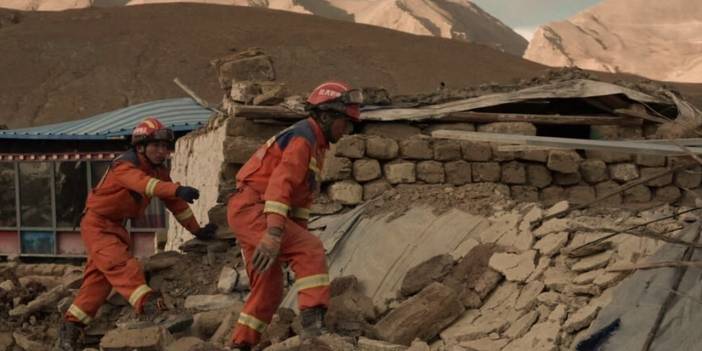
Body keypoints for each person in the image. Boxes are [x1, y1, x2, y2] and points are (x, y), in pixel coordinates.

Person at [56, 117, 217, 351]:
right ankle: (153, 309)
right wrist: (176, 188)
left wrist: (197, 230)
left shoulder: (157, 170)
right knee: (122, 266)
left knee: (98, 282)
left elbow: (176, 204)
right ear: (140, 146)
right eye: (157, 146)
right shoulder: (125, 166)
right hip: (97, 225)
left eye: (165, 147)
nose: (163, 152)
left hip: (116, 227)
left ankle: (71, 327)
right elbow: (144, 184)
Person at [226, 81, 362, 349]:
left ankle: (240, 344)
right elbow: (280, 185)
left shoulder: (315, 144)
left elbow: (299, 200)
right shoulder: (304, 139)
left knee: (270, 287)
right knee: (310, 250)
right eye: (344, 122)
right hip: (255, 209)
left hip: (251, 210)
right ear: (325, 116)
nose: (346, 129)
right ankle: (313, 327)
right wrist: (276, 233)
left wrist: (291, 237)